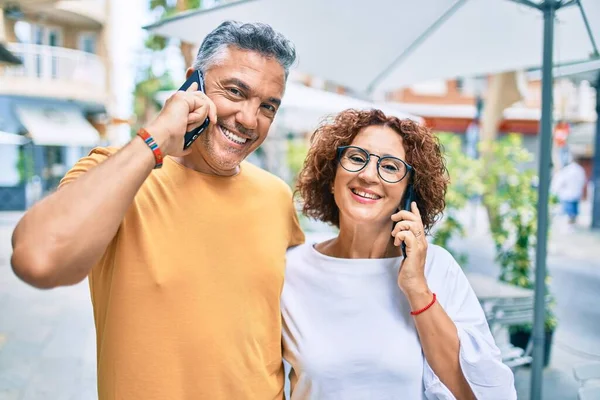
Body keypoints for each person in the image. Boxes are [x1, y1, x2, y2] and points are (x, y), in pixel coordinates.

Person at [11, 21, 304, 400]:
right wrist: (154, 142)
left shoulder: (276, 197)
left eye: (267, 106)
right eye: (235, 92)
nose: (249, 119)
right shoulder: (115, 173)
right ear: (192, 83)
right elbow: (39, 259)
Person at [282, 109, 516, 399]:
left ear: (409, 193)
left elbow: (477, 392)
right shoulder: (291, 268)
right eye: (356, 158)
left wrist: (416, 287)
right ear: (332, 176)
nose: (368, 175)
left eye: (391, 167)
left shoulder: (436, 267)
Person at [551, 153, 587, 225]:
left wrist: (555, 191)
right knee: (574, 212)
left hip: (567, 194)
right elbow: (583, 181)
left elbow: (560, 182)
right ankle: (573, 224)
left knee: (567, 212)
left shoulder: (567, 170)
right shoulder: (580, 170)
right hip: (576, 193)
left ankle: (569, 225)